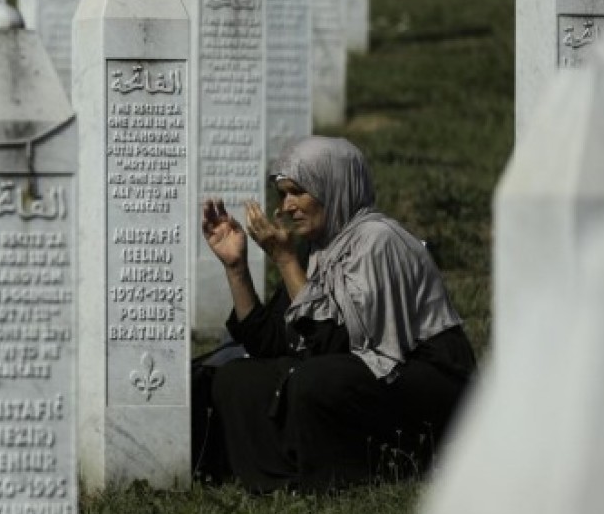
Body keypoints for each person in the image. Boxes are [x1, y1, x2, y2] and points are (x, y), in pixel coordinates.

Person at [192, 136, 476, 493]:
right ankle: (270, 478)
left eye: (298, 192)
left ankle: (358, 473)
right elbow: (271, 342)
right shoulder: (319, 248)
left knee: (315, 381)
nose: (287, 206)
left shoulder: (378, 241)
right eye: (283, 194)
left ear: (334, 186)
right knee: (237, 376)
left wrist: (285, 260)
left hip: (425, 376)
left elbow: (335, 343)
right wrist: (236, 268)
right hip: (354, 366)